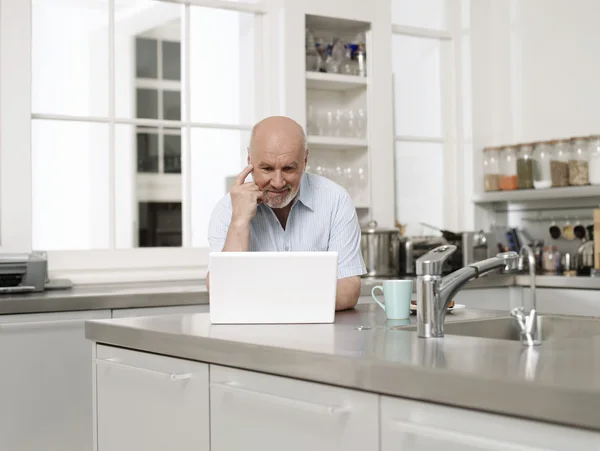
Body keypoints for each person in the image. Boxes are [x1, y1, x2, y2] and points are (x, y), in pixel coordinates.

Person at [206, 116, 366, 310]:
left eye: (289, 168)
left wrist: (267, 301)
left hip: (319, 335)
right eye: (267, 168)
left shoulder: (336, 201)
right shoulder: (227, 210)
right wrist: (239, 221)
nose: (278, 181)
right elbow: (222, 293)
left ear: (305, 160)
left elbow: (348, 289)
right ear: (250, 160)